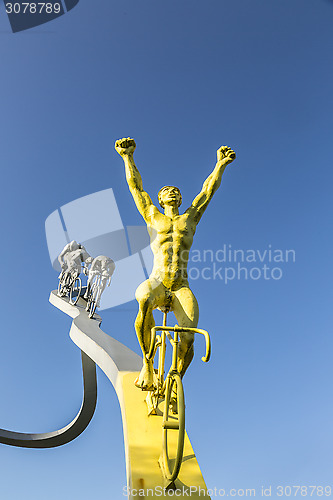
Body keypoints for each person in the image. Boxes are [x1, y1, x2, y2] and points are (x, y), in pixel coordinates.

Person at [115, 137, 236, 390]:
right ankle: (147, 363)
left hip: (180, 285)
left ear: (180, 199)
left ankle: (176, 378)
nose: (171, 191)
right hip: (159, 281)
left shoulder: (189, 219)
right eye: (166, 191)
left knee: (189, 336)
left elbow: (207, 192)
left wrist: (220, 165)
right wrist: (127, 157)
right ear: (160, 200)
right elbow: (136, 188)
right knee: (144, 297)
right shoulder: (152, 216)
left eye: (176, 191)